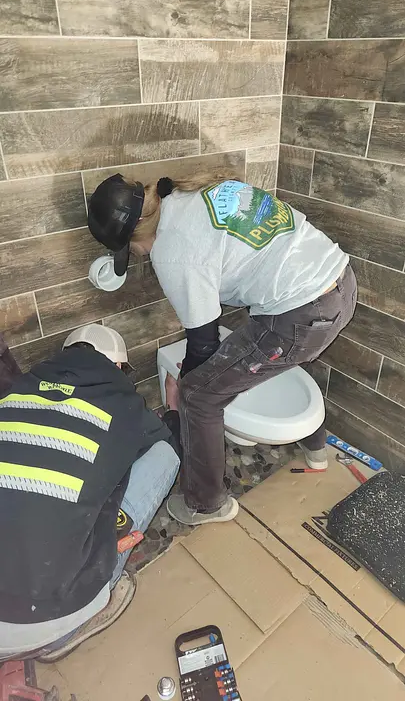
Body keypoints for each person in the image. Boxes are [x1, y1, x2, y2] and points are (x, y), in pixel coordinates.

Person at [88, 172, 357, 527]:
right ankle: (315, 445)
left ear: (137, 236)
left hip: (303, 313)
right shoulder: (188, 191)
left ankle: (207, 504)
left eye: (130, 250)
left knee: (198, 395)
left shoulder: (172, 251)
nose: (136, 255)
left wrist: (184, 386)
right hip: (338, 282)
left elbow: (204, 343)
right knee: (277, 357)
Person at [0, 324, 180, 662]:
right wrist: (172, 407)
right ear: (118, 366)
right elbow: (169, 442)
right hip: (38, 618)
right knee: (164, 457)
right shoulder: (123, 402)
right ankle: (65, 632)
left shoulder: (15, 391)